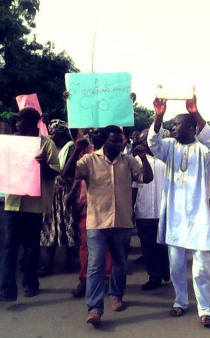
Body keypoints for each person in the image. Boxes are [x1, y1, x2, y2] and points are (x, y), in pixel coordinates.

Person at [63, 125, 153, 326]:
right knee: (95, 265)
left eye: (121, 141)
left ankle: (116, 294)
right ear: (104, 141)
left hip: (122, 221)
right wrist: (77, 150)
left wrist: (144, 157)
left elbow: (146, 178)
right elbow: (68, 173)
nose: (119, 144)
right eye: (114, 141)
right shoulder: (89, 160)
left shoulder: (129, 161)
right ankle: (94, 308)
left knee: (120, 263)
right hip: (97, 221)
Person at [148, 95, 210, 328]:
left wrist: (196, 112)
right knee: (176, 264)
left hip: (197, 215)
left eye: (176, 124)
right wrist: (158, 117)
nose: (173, 128)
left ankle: (205, 309)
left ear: (190, 127)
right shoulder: (169, 146)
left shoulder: (203, 150)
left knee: (200, 268)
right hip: (175, 215)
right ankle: (180, 301)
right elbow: (153, 143)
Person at [0, 107, 60, 302]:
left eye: (20, 120)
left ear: (31, 123)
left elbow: (56, 172)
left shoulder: (46, 145)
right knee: (9, 246)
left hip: (35, 205)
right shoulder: (12, 144)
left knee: (31, 247)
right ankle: (7, 290)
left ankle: (30, 284)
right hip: (13, 203)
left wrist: (44, 165)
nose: (16, 123)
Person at [67, 133, 113, 298]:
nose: (93, 135)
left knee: (107, 246)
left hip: (109, 207)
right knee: (85, 246)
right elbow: (74, 176)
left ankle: (107, 279)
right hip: (88, 206)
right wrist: (73, 194)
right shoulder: (85, 154)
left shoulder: (115, 156)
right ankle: (85, 280)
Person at [38, 120, 78, 276]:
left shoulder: (71, 148)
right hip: (50, 192)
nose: (50, 136)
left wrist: (71, 193)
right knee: (48, 228)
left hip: (65, 192)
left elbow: (70, 173)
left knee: (68, 227)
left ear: (60, 134)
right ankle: (48, 265)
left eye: (53, 133)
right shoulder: (49, 148)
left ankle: (69, 262)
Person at [134, 129, 170, 290]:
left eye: (147, 140)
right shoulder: (136, 161)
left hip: (165, 211)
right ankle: (154, 275)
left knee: (164, 245)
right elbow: (134, 188)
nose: (144, 143)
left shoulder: (167, 159)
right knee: (148, 246)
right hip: (145, 210)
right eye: (142, 141)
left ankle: (165, 269)